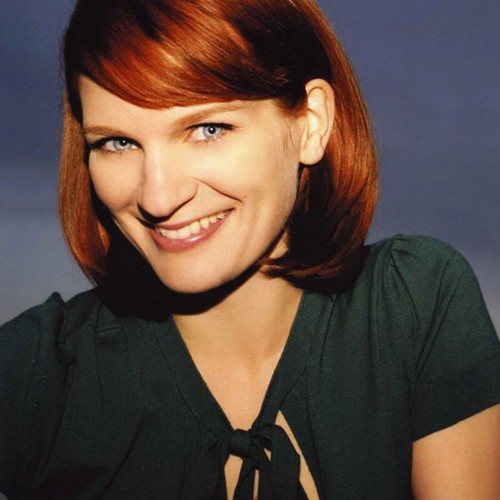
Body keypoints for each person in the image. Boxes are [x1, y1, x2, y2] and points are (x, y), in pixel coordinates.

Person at [1, 0, 499, 498]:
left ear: (310, 123)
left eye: (208, 129)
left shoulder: (412, 308)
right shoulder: (42, 375)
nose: (157, 197)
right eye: (117, 143)